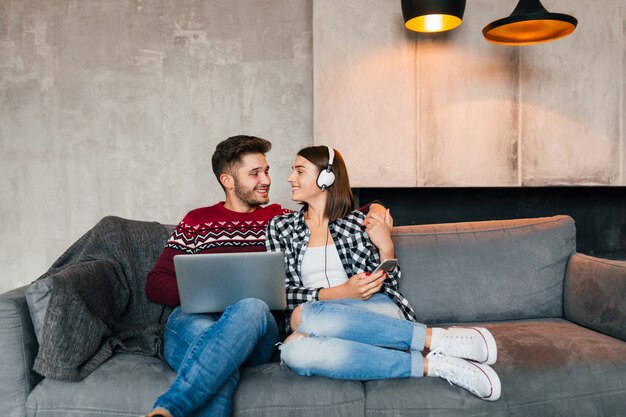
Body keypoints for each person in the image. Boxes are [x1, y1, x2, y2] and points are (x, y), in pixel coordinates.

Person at [143, 135, 389, 417]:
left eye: (267, 171)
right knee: (220, 360)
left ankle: (168, 408)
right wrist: (207, 296)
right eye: (255, 173)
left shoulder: (281, 221)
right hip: (194, 321)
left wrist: (377, 207)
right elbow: (155, 282)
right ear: (228, 180)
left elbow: (338, 215)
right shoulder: (196, 221)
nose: (268, 180)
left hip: (256, 327)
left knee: (252, 306)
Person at [265, 145, 502, 401]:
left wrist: (386, 247)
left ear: (327, 178)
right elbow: (281, 293)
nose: (290, 178)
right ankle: (435, 364)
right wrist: (340, 292)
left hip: (373, 311)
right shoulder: (281, 227)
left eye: (299, 171)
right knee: (292, 352)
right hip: (311, 321)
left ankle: (435, 340)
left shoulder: (359, 224)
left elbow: (389, 284)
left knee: (303, 318)